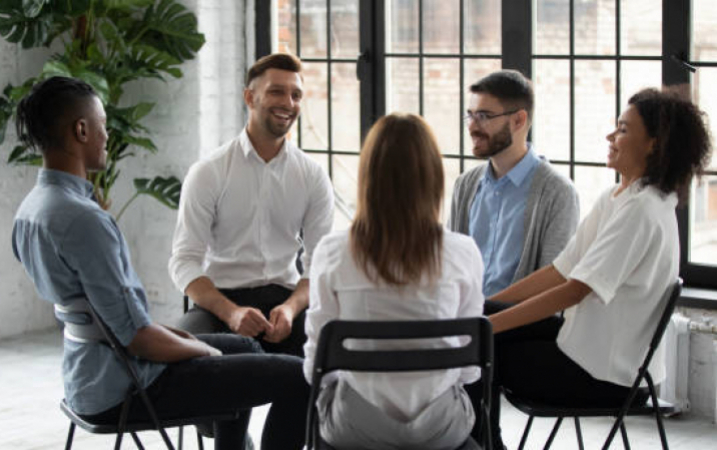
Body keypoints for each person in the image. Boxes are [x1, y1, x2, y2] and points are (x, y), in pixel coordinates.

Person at [11, 76, 309, 450]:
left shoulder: (31, 211)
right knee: (300, 375)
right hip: (129, 385)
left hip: (87, 375)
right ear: (82, 130)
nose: (106, 136)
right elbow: (139, 340)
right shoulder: (85, 220)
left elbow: (112, 322)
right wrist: (201, 350)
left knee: (245, 348)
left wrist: (184, 339)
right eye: (103, 126)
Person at [467, 88, 713, 450]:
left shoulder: (643, 210)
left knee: (479, 350)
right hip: (580, 346)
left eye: (624, 130)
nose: (611, 137)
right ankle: (486, 443)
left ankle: (485, 445)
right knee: (477, 323)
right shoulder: (619, 197)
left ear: (654, 145)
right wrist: (486, 306)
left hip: (602, 375)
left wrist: (485, 327)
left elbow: (574, 290)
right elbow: (560, 271)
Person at [303, 113, 485, 449]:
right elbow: (470, 371)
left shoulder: (331, 252)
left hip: (354, 428)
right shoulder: (463, 252)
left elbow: (316, 366)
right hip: (440, 430)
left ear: (367, 177)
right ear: (432, 178)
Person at [169, 53, 334, 357]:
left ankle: (289, 406)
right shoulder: (209, 172)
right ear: (250, 97)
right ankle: (232, 406)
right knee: (189, 356)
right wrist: (231, 313)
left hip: (286, 302)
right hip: (221, 300)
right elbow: (185, 261)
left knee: (329, 351)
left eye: (296, 95)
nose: (288, 102)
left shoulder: (313, 176)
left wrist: (291, 307)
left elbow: (319, 265)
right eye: (276, 91)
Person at [449, 70, 579, 297]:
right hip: (464, 323)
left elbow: (553, 287)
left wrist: (489, 320)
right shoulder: (465, 185)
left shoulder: (558, 193)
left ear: (518, 120)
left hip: (520, 329)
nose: (471, 127)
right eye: (470, 115)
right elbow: (450, 266)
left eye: (484, 116)